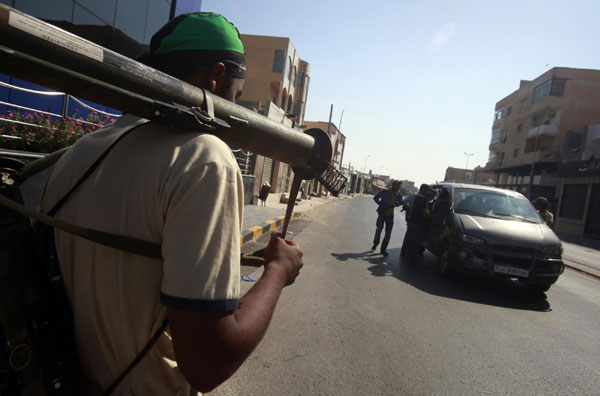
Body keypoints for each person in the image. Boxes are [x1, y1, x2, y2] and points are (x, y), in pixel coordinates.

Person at [40, 13, 303, 395]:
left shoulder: (80, 150)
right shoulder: (205, 159)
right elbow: (207, 364)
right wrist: (277, 273)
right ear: (215, 77)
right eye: (238, 93)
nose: (237, 103)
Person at [401, 184, 436, 264]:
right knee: (415, 241)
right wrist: (433, 215)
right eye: (432, 197)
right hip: (418, 224)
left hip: (413, 222)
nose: (432, 199)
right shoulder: (423, 202)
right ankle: (410, 257)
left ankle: (405, 254)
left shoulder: (417, 198)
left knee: (411, 239)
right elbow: (426, 214)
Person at [371, 181, 403, 256]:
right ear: (393, 185)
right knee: (378, 230)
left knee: (388, 234)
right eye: (397, 186)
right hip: (382, 214)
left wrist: (395, 204)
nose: (398, 188)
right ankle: (375, 244)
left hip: (390, 216)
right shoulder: (385, 192)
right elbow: (375, 198)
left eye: (399, 186)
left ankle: (383, 250)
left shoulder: (398, 195)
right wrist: (381, 205)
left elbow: (400, 202)